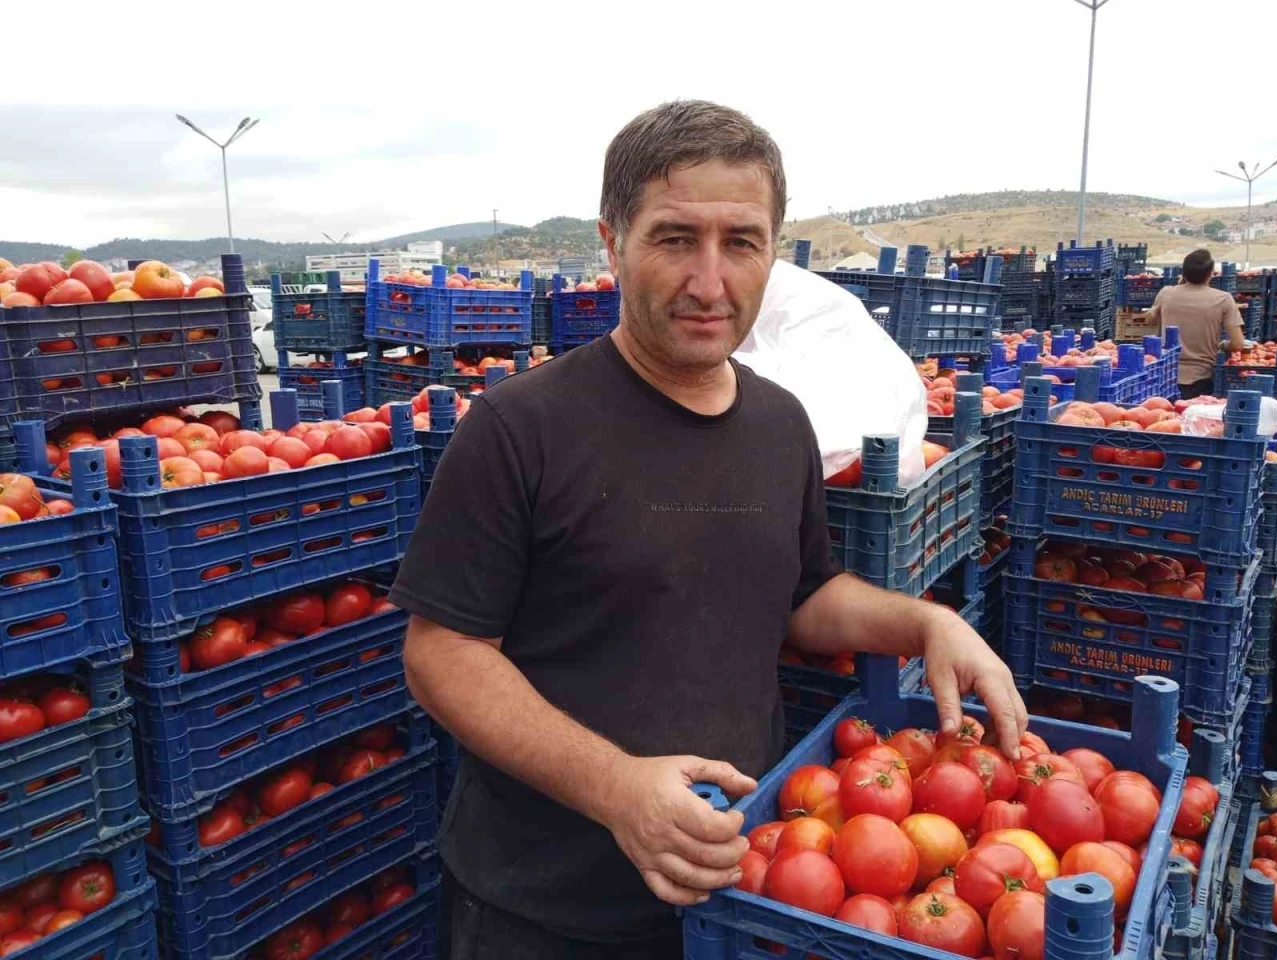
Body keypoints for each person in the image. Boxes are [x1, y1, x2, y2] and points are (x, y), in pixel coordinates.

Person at [391, 100, 1028, 960]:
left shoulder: (781, 424)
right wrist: (618, 789)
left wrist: (925, 623)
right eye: (675, 238)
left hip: (741, 888)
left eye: (741, 242)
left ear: (774, 251)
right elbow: (442, 655)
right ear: (613, 243)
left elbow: (804, 596)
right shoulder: (518, 428)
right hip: (545, 912)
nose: (709, 281)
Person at [1148, 248, 1249, 399]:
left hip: (1165, 377)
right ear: (1211, 274)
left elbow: (1149, 319)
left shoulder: (1166, 293)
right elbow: (1238, 344)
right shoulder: (1223, 299)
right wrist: (1222, 345)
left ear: (1183, 272)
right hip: (1201, 378)